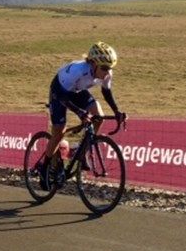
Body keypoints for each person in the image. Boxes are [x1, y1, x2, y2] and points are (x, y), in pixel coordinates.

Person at [40, 41, 127, 185]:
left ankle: (80, 151)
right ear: (93, 63)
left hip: (77, 91)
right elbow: (63, 97)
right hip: (60, 91)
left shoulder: (106, 73)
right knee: (59, 132)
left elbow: (106, 92)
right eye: (104, 68)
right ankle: (45, 167)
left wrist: (117, 111)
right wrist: (79, 112)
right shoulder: (78, 70)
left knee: (98, 116)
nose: (107, 73)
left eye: (110, 68)